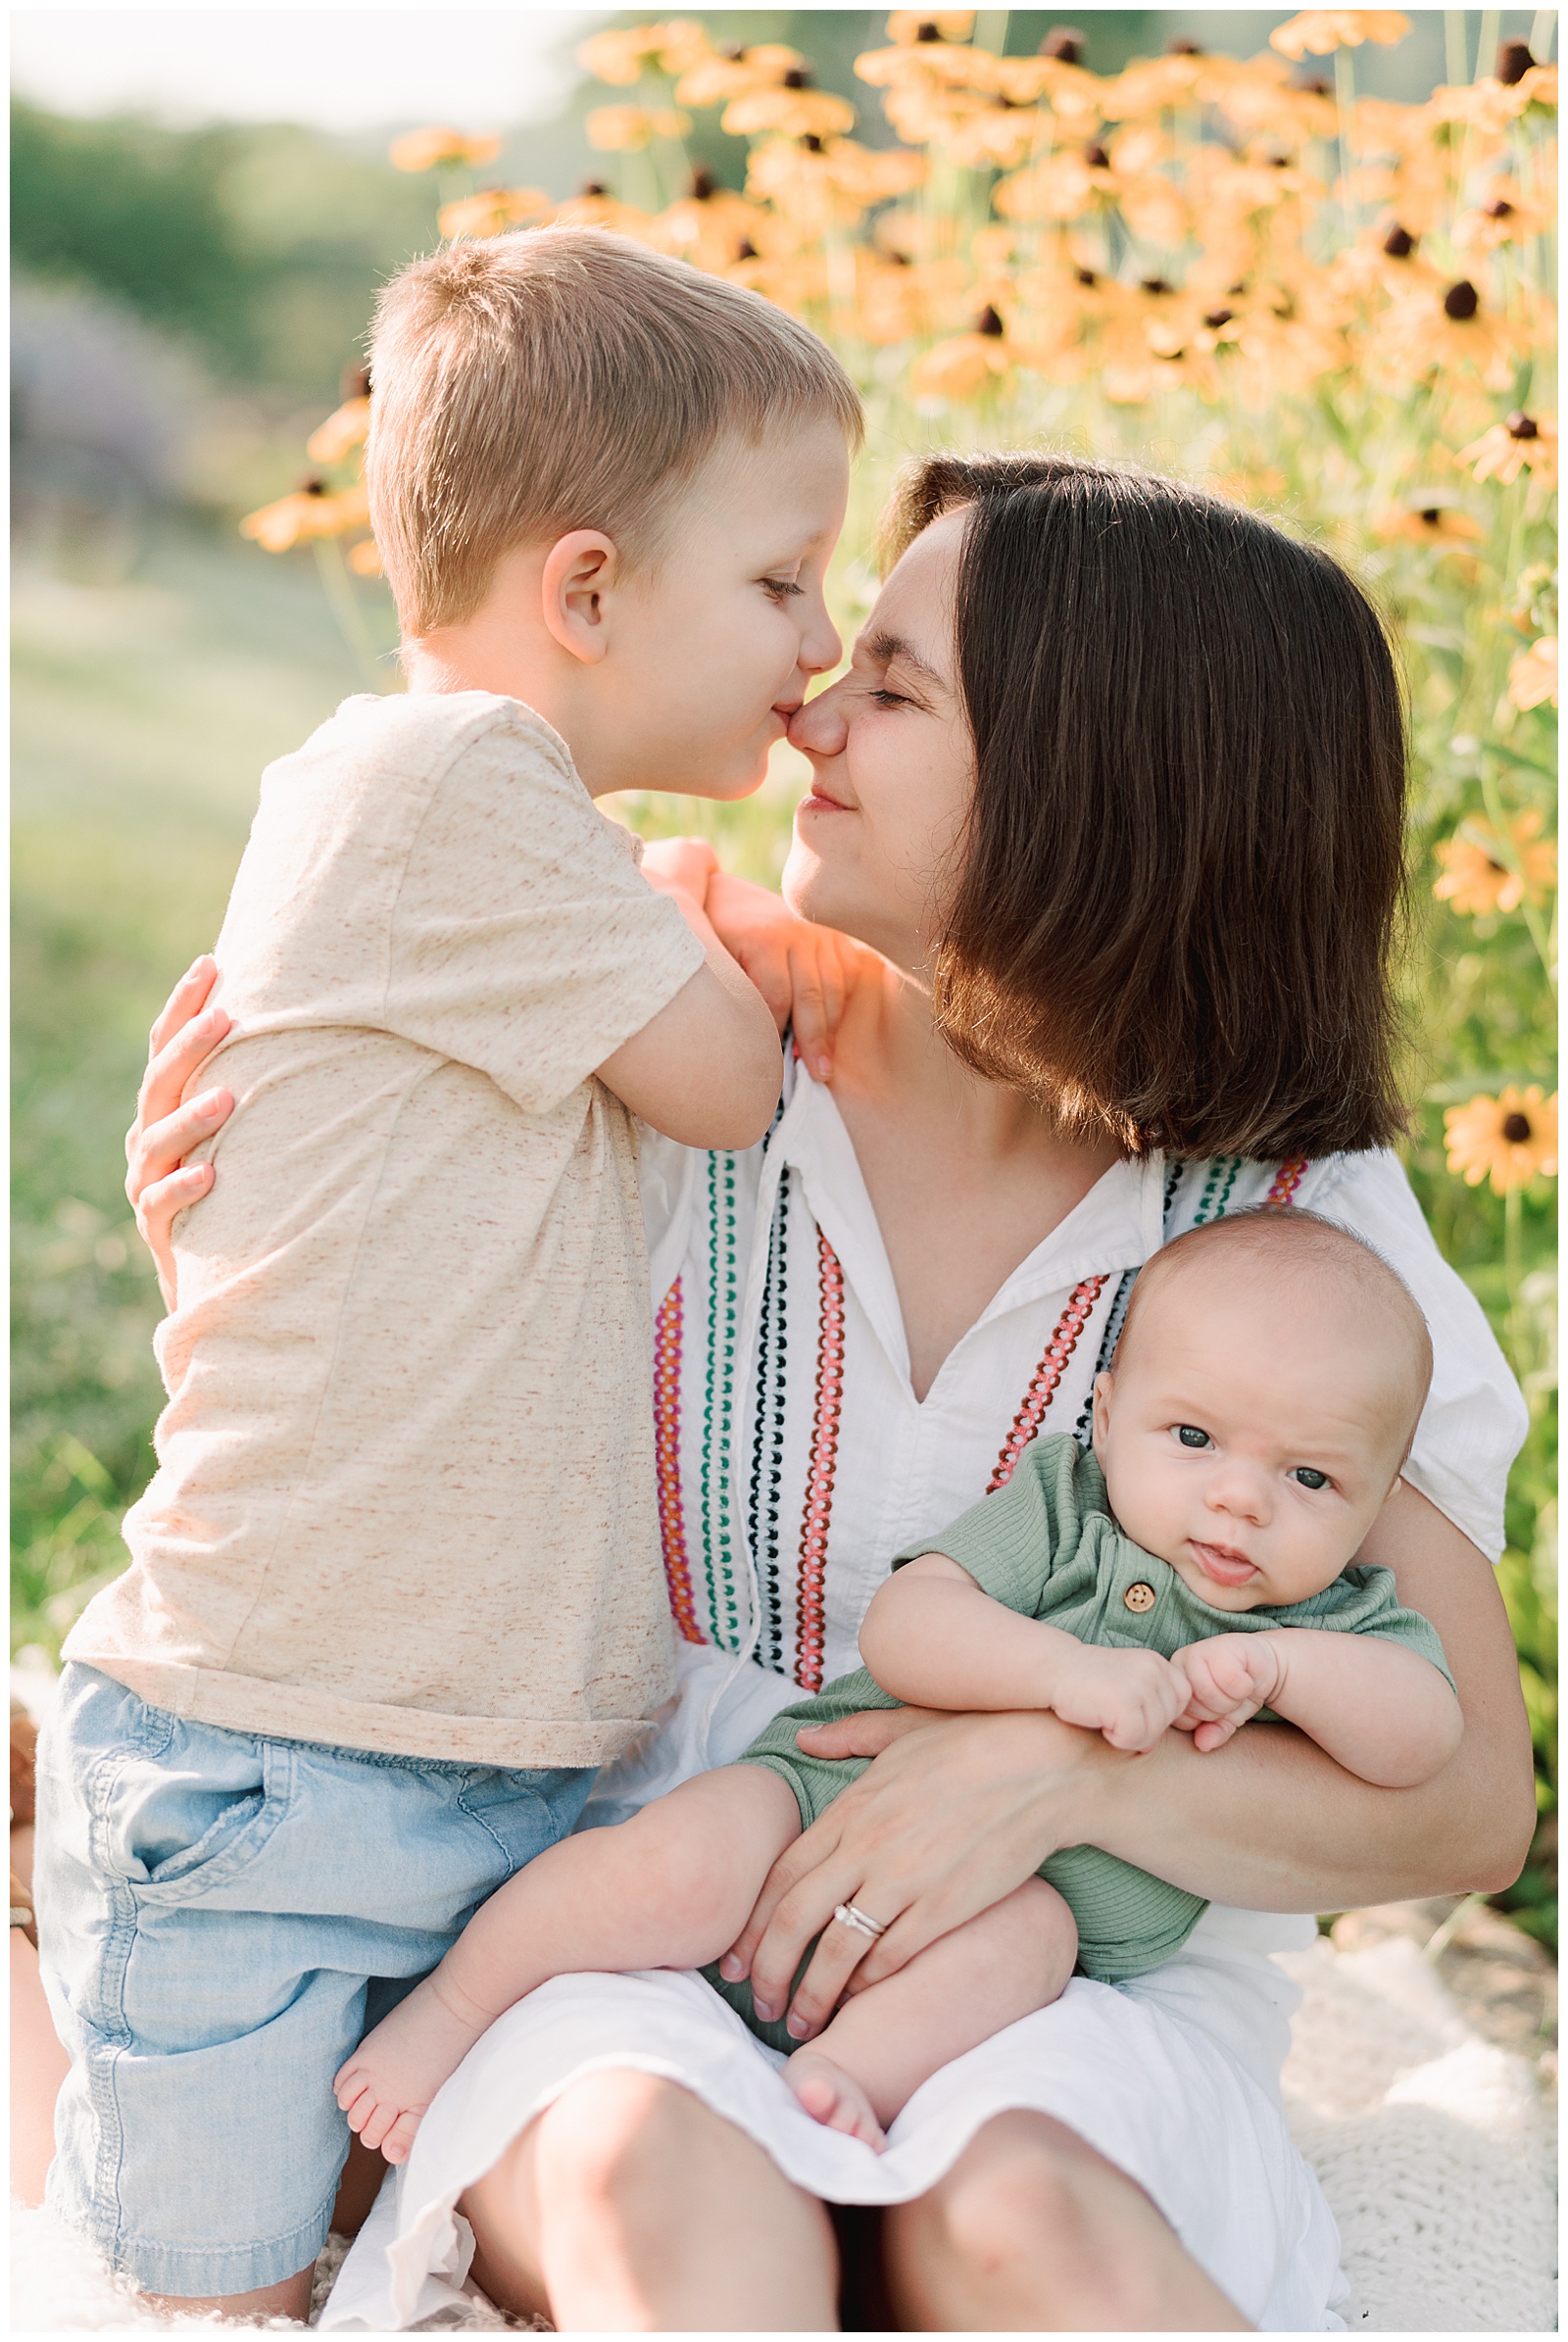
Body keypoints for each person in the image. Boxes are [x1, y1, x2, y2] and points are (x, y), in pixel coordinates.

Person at [126, 455, 1535, 2334]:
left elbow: (1462, 1807)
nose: (810, 710)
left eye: (896, 682)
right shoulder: (655, 1029)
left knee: (1024, 2206)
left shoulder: (1300, 1220)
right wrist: (251, 1251)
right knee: (644, 2164)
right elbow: (352, 1402)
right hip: (631, 1896)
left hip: (1080, 1977)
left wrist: (1043, 1777)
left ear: (1093, 784)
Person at [30, 228, 860, 2322]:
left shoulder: (486, 816)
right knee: (194, 2275)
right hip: (277, 1749)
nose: (821, 644)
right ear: (582, 593)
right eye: (779, 584)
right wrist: (697, 890)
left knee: (336, 2226)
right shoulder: (460, 783)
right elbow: (731, 1078)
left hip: (462, 1750)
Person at [332, 1209, 1460, 2162]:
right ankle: (459, 2003)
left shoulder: (1332, 1615)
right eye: (1194, 1435)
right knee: (670, 1862)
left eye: (1309, 1474)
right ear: (1109, 1418)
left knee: (1024, 1945)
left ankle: (833, 2089)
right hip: (829, 1792)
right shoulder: (1068, 1505)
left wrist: (1284, 1665)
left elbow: (1421, 1739)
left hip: (1036, 1908)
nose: (1241, 1499)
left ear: (1375, 1500)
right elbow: (911, 1624)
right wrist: (1064, 1672)